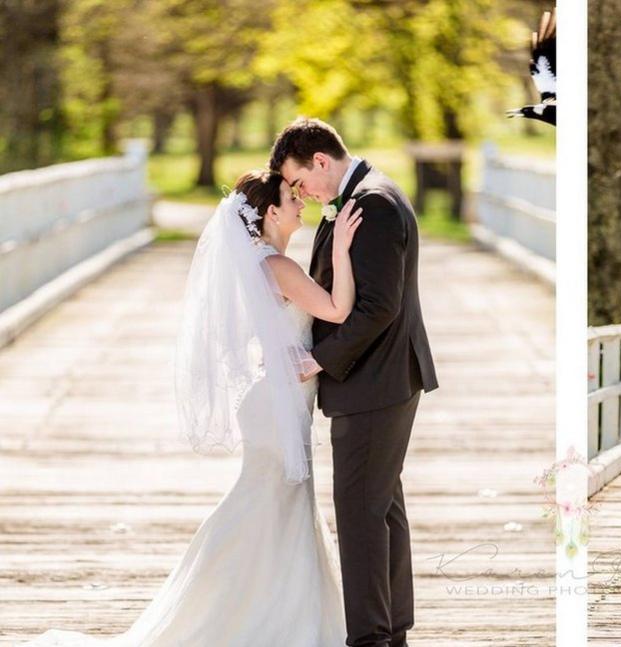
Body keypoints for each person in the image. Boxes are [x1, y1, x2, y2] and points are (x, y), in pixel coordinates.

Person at [22, 169, 364, 645]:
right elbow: (338, 310)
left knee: (279, 504)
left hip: (274, 400)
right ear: (270, 213)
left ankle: (273, 610)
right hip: (276, 405)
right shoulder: (277, 267)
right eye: (292, 197)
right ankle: (251, 611)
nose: (301, 202)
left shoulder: (266, 263)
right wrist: (343, 249)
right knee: (271, 502)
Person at [269, 117, 438, 647]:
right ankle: (393, 630)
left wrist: (319, 360)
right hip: (382, 379)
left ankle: (369, 638)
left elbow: (378, 308)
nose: (304, 193)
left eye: (301, 182)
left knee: (361, 513)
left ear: (321, 161)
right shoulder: (364, 195)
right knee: (382, 506)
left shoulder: (373, 203)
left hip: (375, 380)